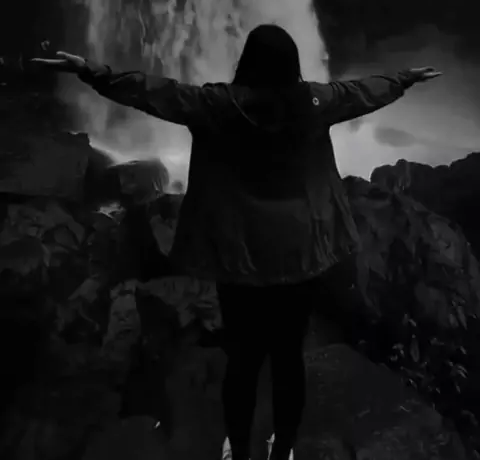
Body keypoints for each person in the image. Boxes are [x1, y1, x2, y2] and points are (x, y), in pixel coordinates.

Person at [31, 25, 442, 460]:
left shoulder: (216, 105)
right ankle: (283, 448)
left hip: (238, 254)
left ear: (247, 61)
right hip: (300, 253)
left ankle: (241, 450)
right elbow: (362, 93)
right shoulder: (315, 103)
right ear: (292, 65)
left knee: (242, 360)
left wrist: (92, 72)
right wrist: (403, 79)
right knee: (288, 358)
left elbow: (153, 92)